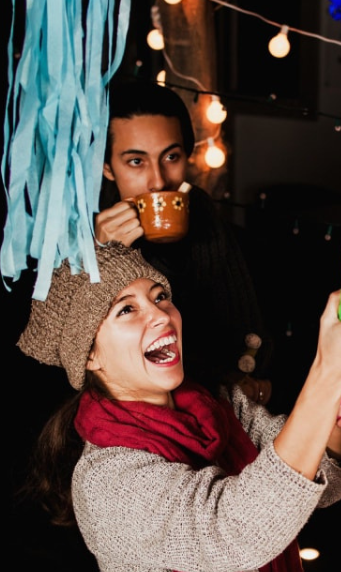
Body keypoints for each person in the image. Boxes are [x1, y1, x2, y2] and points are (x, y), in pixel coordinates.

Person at [17, 244, 341, 572]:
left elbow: (318, 484)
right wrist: (326, 376)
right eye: (126, 309)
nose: (160, 315)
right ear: (89, 356)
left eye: (160, 296)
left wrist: (335, 419)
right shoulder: (106, 477)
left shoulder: (219, 408)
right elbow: (233, 529)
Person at [93, 79, 271, 403]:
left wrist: (250, 379)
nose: (158, 180)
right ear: (107, 167)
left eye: (171, 157)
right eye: (136, 161)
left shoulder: (210, 225)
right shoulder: (83, 242)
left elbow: (251, 328)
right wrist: (102, 258)